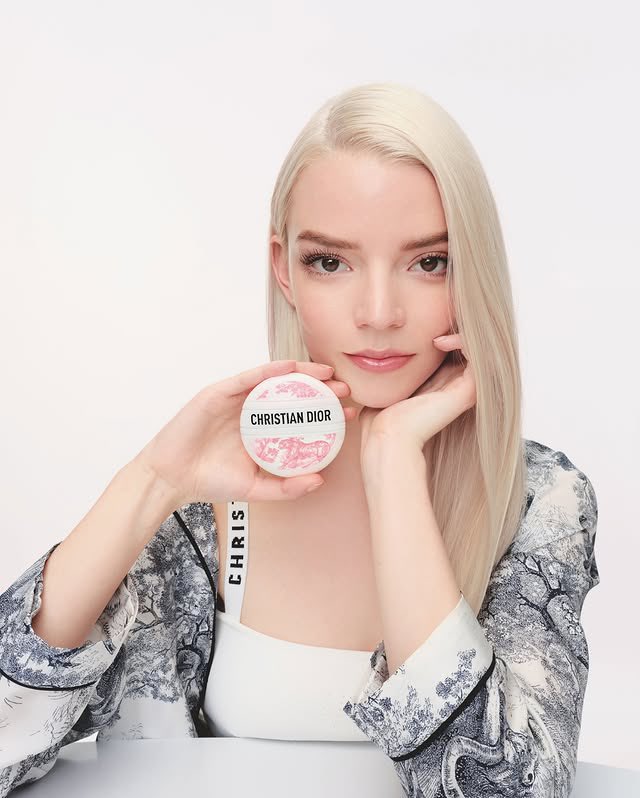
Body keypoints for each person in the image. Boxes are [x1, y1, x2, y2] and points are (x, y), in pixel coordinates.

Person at [0, 82, 599, 797]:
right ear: (284, 269)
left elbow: (507, 790)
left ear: (474, 269)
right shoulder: (213, 498)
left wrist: (394, 467)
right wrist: (153, 482)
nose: (379, 313)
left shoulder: (538, 502)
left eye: (429, 262)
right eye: (331, 262)